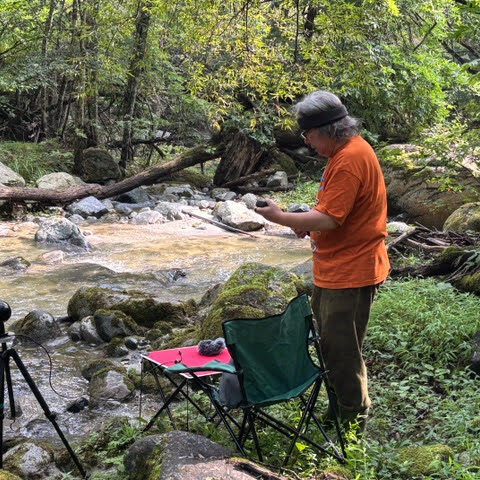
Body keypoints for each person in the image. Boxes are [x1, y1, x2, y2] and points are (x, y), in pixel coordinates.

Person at [255, 90, 390, 430]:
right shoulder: (347, 152)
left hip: (351, 272)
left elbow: (330, 219)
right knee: (332, 347)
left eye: (308, 134)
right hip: (337, 269)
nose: (306, 141)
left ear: (327, 130)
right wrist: (307, 225)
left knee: (343, 353)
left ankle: (350, 423)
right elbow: (334, 212)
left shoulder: (350, 159)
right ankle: (339, 412)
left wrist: (281, 217)